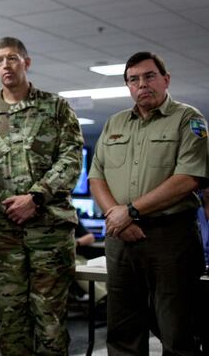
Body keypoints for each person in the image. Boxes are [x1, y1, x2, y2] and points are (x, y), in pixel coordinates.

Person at [88, 51, 208, 355]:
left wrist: (130, 212)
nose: (142, 84)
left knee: (177, 330)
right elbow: (96, 177)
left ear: (166, 79)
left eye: (149, 76)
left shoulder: (188, 119)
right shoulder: (114, 123)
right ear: (128, 86)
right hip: (121, 239)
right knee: (123, 330)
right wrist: (117, 217)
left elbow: (189, 177)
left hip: (171, 237)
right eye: (134, 79)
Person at [0, 37, 83, 356]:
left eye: (12, 58)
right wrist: (6, 204)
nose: (5, 65)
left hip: (49, 230)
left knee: (50, 319)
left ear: (26, 62)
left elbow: (71, 158)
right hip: (4, 233)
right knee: (11, 320)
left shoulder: (56, 107)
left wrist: (35, 198)